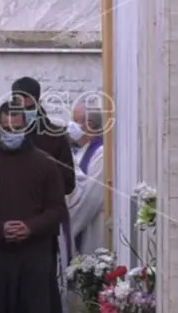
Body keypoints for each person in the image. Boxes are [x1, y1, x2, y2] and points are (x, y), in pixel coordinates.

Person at [0, 100, 67, 313]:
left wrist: (30, 227)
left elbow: (57, 209)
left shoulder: (45, 163)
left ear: (26, 127)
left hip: (35, 255)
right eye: (6, 129)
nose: (12, 133)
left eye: (17, 128)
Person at [67, 103, 106, 254]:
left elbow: (91, 197)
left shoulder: (101, 154)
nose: (70, 125)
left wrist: (68, 228)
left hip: (91, 227)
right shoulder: (79, 151)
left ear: (89, 125)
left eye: (74, 120)